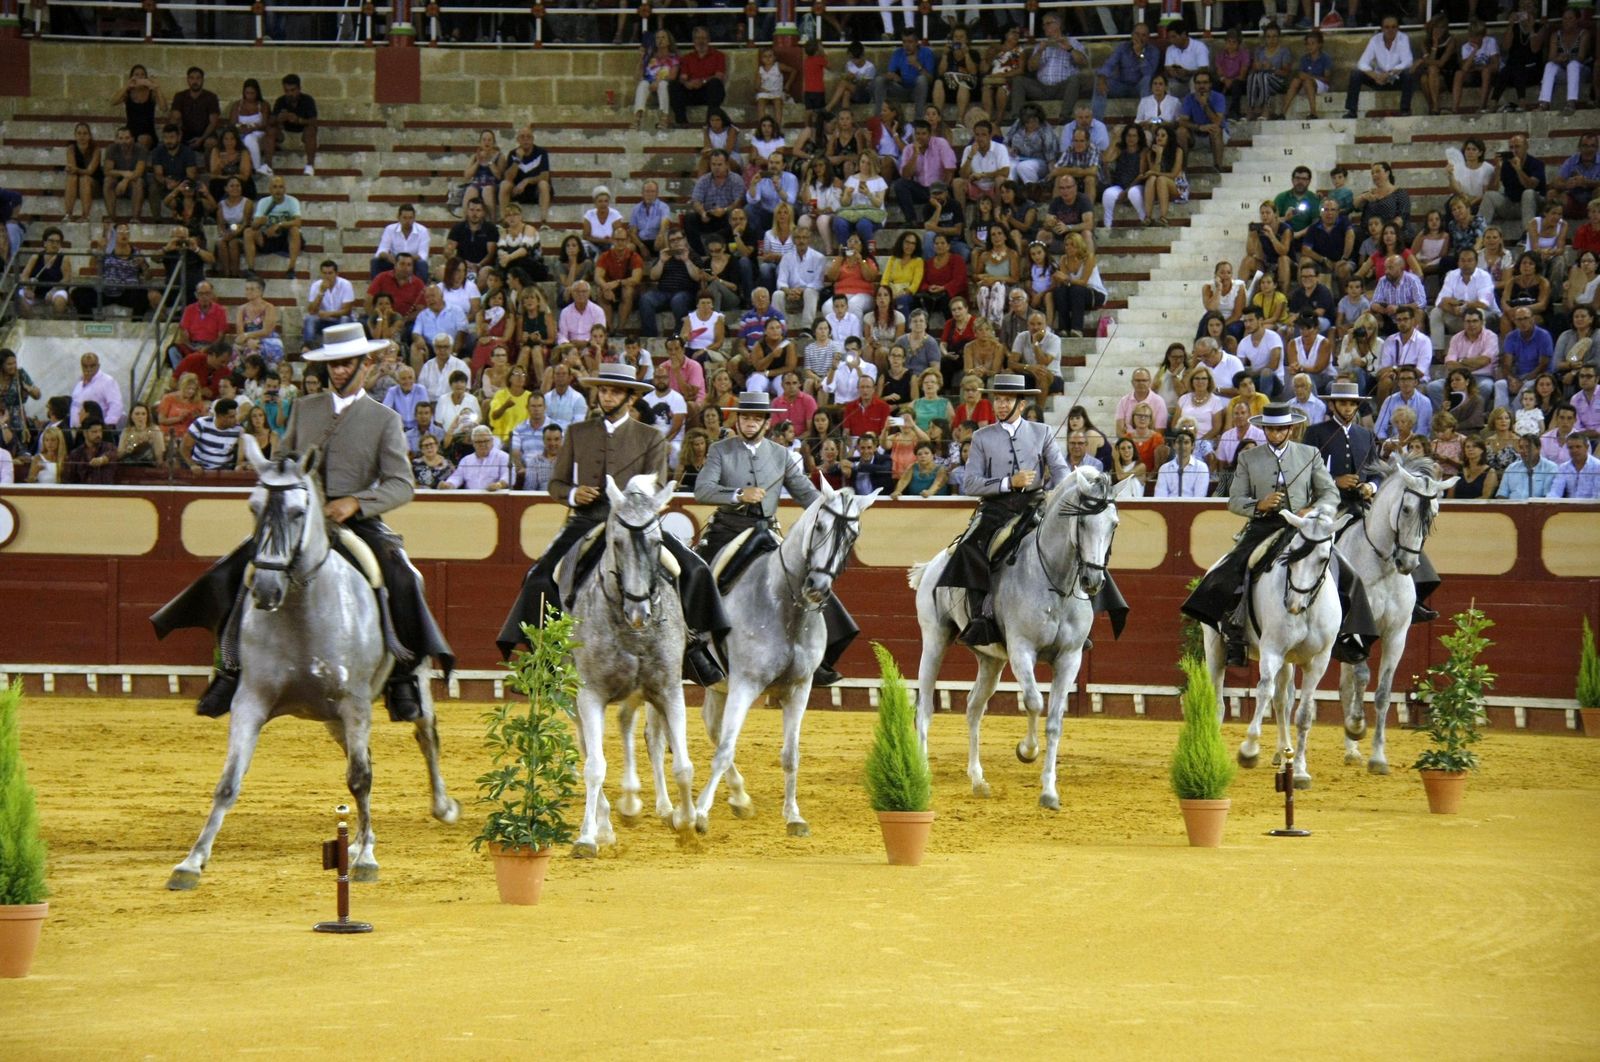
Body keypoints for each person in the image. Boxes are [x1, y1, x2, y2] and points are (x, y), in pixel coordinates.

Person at [153, 323, 453, 721]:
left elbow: (401, 484)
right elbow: (283, 461)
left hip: (357, 521)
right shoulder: (305, 408)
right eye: (333, 364)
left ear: (364, 365)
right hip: (297, 517)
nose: (339, 371)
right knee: (241, 568)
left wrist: (355, 503)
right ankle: (229, 669)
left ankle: (402, 677)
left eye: (346, 363)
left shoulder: (385, 419)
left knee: (403, 575)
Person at [496, 363, 727, 682]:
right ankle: (543, 657)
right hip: (588, 521)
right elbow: (556, 483)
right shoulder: (577, 432)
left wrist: (636, 499)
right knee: (538, 576)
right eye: (603, 390)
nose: (606, 397)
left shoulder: (650, 437)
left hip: (636, 524)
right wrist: (574, 493)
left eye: (614, 391)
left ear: (630, 398)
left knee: (695, 569)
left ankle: (692, 646)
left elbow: (659, 485)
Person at [692, 389, 856, 685]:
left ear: (767, 422)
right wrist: (739, 494)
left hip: (765, 531)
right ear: (737, 420)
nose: (750, 422)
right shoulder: (720, 450)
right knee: (699, 575)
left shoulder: (781, 455)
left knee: (809, 576)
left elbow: (806, 494)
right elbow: (702, 490)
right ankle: (694, 648)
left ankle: (819, 655)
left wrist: (832, 510)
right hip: (727, 529)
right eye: (746, 417)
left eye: (757, 418)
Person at [1182, 403, 1340, 666]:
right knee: (1231, 568)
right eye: (1271, 430)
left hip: (1303, 528)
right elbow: (1234, 500)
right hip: (1263, 526)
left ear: (1291, 429)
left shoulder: (1309, 454)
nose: (1276, 434)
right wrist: (1259, 505)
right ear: (1264, 429)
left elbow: (1331, 493)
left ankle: (1348, 634)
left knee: (1345, 570)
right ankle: (1233, 631)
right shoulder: (1249, 458)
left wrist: (1311, 510)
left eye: (1281, 429)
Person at [935, 374, 1066, 648]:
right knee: (969, 548)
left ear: (1021, 404)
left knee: (1077, 540)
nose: (1001, 405)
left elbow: (1060, 470)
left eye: (1008, 400)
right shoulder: (981, 437)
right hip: (997, 509)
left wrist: (1059, 493)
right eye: (998, 400)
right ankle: (980, 617)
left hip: (1035, 505)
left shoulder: (1042, 432)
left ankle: (1082, 615)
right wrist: (1009, 482)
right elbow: (970, 483)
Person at [1343, 17, 1415, 120]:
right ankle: (1352, 111)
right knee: (1356, 74)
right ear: (1382, 29)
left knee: (1408, 74)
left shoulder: (1403, 38)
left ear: (1398, 28)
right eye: (1387, 27)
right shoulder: (1375, 40)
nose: (1390, 30)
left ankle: (1405, 110)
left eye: (1393, 27)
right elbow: (1362, 63)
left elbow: (1408, 61)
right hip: (1378, 80)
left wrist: (1390, 73)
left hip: (1395, 79)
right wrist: (1375, 76)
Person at [264, 74, 318, 177]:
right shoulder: (280, 101)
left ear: (299, 89)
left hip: (303, 139)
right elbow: (270, 121)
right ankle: (268, 167)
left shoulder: (308, 100)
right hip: (286, 136)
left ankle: (310, 165)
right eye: (287, 91)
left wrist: (298, 120)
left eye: (292, 90)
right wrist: (278, 118)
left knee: (310, 130)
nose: (290, 93)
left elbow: (314, 122)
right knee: (271, 130)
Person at [1154, 429, 1209, 497]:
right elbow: (1160, 496)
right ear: (1174, 445)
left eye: (1186, 442)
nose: (1182, 446)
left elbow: (1199, 497)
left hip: (1193, 504)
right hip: (1170, 503)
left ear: (1192, 446)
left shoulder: (1201, 468)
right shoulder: (1164, 468)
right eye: (1179, 442)